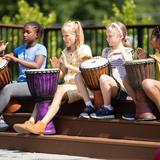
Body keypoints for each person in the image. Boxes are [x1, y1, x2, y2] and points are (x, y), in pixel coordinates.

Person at [13, 20, 92, 134]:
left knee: (59, 91)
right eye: (63, 36)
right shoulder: (65, 51)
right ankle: (30, 121)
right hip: (67, 86)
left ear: (76, 35)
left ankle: (42, 124)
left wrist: (67, 65)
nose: (64, 39)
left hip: (81, 88)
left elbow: (87, 72)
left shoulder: (84, 49)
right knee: (44, 91)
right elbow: (62, 75)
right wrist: (56, 69)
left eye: (67, 36)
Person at [76, 22, 133, 119]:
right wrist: (96, 60)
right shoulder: (106, 51)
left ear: (121, 36)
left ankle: (108, 108)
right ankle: (89, 105)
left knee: (103, 78)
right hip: (104, 83)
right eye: (107, 36)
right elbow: (102, 66)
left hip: (120, 89)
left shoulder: (128, 51)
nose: (107, 39)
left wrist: (122, 52)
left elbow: (130, 67)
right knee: (78, 76)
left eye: (110, 36)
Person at [0, 21, 47, 131]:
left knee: (8, 89)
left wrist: (16, 59)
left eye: (28, 32)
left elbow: (36, 65)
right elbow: (7, 59)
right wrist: (2, 52)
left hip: (34, 84)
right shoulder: (20, 49)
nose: (24, 34)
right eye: (23, 32)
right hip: (21, 83)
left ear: (37, 35)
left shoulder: (41, 48)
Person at [138, 26, 160, 114]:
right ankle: (143, 110)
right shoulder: (157, 53)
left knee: (147, 83)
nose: (150, 40)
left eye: (152, 38)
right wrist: (144, 57)